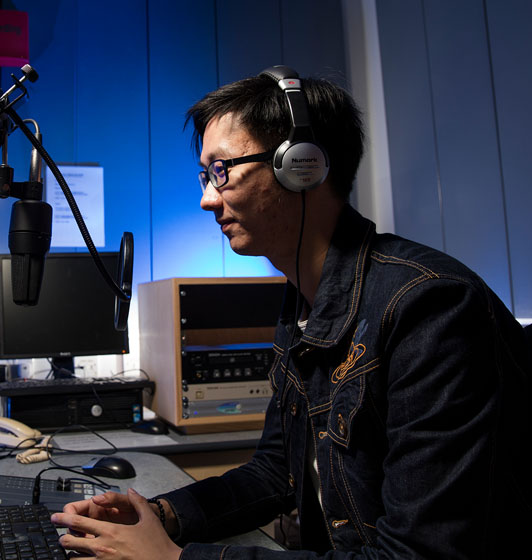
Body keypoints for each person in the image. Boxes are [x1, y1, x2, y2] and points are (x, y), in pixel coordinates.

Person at [51, 66, 531, 558]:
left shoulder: (431, 308)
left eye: (222, 171)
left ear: (301, 165)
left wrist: (175, 559)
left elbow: (415, 554)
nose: (205, 199)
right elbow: (276, 471)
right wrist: (162, 515)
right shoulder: (305, 302)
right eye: (205, 174)